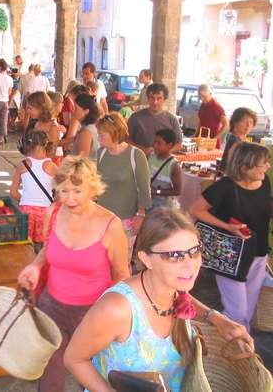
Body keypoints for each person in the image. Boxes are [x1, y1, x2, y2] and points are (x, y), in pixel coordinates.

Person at [65, 208, 255, 392]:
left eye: (194, 251)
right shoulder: (117, 309)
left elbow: (183, 299)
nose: (189, 265)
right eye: (174, 256)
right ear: (145, 259)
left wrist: (216, 318)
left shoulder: (171, 288)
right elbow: (74, 359)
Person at [17, 156, 130, 392]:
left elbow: (121, 274)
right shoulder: (53, 213)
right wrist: (35, 267)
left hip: (91, 314)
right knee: (49, 375)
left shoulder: (111, 224)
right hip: (52, 306)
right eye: (63, 190)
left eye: (77, 191)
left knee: (91, 377)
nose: (69, 199)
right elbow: (49, 249)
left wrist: (119, 316)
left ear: (93, 188)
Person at [191, 142, 271, 330]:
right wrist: (227, 226)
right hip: (231, 256)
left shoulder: (264, 180)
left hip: (258, 254)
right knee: (237, 312)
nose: (267, 167)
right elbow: (195, 209)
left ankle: (241, 350)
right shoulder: (225, 187)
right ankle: (227, 344)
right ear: (244, 167)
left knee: (248, 312)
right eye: (262, 164)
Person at [96, 112, 151, 256]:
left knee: (121, 261)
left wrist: (141, 215)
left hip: (125, 220)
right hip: (100, 218)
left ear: (114, 133)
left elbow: (144, 189)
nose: (98, 138)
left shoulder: (136, 156)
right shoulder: (100, 153)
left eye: (102, 135)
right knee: (101, 260)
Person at [10, 131, 58, 249]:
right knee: (44, 247)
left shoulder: (23, 165)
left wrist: (27, 200)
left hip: (26, 211)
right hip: (46, 212)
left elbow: (13, 193)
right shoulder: (53, 167)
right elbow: (60, 193)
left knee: (25, 246)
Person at [127, 83, 183, 156]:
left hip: (163, 162)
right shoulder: (135, 118)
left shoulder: (172, 119)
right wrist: (142, 150)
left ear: (164, 99)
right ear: (147, 98)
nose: (155, 102)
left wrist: (166, 152)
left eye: (159, 98)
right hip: (140, 160)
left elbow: (179, 144)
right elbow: (126, 140)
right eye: (152, 98)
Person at [149, 128, 182, 210]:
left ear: (169, 145)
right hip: (148, 203)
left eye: (159, 143)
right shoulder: (150, 156)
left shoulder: (174, 166)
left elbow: (177, 191)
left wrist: (156, 191)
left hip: (164, 208)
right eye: (154, 142)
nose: (155, 145)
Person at [219, 107, 256, 173]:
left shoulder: (237, 139)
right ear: (235, 122)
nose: (248, 125)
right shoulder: (235, 141)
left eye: (251, 122)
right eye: (244, 121)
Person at [24, 92, 61, 158]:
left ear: (40, 108)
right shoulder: (35, 123)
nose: (28, 111)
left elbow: (51, 153)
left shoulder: (53, 127)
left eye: (30, 108)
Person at [69, 93, 100, 159]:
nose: (72, 110)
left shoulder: (85, 133)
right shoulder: (91, 127)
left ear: (86, 111)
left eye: (76, 108)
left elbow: (81, 161)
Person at [197, 83, 227, 148]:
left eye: (204, 97)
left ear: (210, 94)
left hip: (212, 142)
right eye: (200, 97)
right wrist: (196, 134)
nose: (202, 99)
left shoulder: (217, 107)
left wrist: (214, 139)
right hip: (202, 140)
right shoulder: (203, 105)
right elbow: (201, 121)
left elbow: (226, 125)